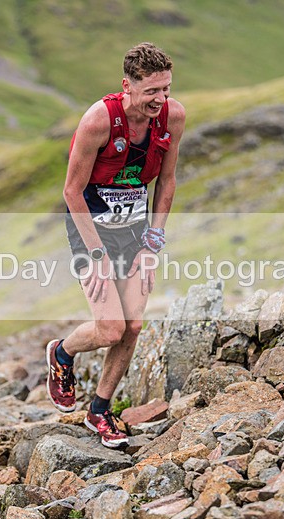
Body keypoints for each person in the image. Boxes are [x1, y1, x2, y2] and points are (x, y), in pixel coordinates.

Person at [45, 42, 185, 448]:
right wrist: (97, 256)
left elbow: (168, 180)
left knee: (134, 325)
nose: (161, 99)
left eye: (166, 89)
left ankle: (100, 411)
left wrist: (152, 245)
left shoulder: (173, 117)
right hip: (91, 228)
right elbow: (71, 193)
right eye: (151, 92)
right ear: (127, 86)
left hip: (136, 228)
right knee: (110, 327)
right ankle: (62, 353)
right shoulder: (98, 122)